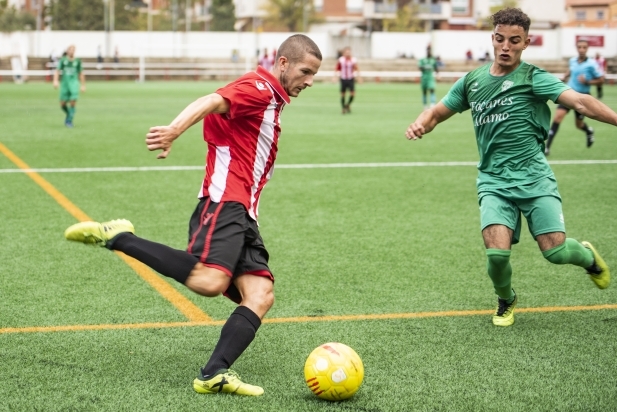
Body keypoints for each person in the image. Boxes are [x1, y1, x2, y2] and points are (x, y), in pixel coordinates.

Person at [64, 35, 321, 395]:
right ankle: (120, 237)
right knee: (210, 282)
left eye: (314, 74)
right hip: (224, 201)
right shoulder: (260, 87)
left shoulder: (272, 99)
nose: (309, 80)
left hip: (246, 212)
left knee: (260, 294)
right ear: (282, 64)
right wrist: (174, 131)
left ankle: (213, 373)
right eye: (305, 71)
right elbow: (212, 101)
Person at [405, 8, 613, 327]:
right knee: (497, 254)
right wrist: (421, 124)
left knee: (555, 252)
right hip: (493, 181)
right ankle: (506, 299)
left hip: (534, 177)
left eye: (514, 41)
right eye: (500, 39)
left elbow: (582, 102)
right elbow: (435, 113)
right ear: (493, 38)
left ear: (526, 43)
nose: (506, 47)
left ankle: (588, 259)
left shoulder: (533, 78)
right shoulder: (472, 82)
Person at [544, 39, 604, 155]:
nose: (581, 49)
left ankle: (588, 131)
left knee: (579, 125)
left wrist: (588, 82)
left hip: (582, 98)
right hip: (568, 94)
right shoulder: (572, 61)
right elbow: (570, 71)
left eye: (584, 47)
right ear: (577, 48)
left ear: (587, 49)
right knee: (557, 118)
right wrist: (565, 76)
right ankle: (547, 147)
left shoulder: (592, 64)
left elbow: (601, 80)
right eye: (579, 47)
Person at [53, 45, 85, 128]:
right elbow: (57, 71)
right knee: (62, 104)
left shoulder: (77, 61)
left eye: (73, 50)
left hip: (74, 84)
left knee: (72, 102)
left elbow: (81, 73)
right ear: (67, 51)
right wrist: (55, 81)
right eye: (70, 49)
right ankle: (69, 114)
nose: (72, 51)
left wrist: (83, 85)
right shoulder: (63, 60)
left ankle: (69, 121)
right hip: (65, 84)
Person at [333, 46, 360, 114]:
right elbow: (337, 68)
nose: (347, 53)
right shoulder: (341, 60)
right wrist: (335, 77)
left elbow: (357, 68)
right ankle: (343, 108)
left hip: (351, 78)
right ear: (344, 53)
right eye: (346, 52)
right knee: (343, 94)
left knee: (352, 94)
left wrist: (359, 77)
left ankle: (347, 104)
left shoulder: (353, 60)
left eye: (349, 52)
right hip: (343, 78)